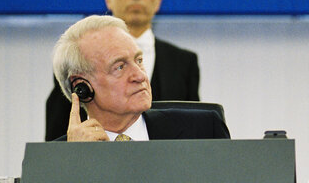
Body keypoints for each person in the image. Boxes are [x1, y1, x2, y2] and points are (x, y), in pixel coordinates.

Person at [45, 0, 201, 140]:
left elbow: (193, 132)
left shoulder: (183, 61)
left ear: (159, 1)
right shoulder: (78, 59)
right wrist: (76, 157)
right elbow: (57, 136)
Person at [53, 15, 229, 141]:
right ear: (82, 88)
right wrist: (75, 161)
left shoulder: (203, 131)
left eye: (139, 60)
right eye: (120, 67)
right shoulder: (55, 163)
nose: (140, 75)